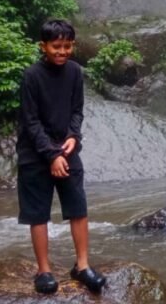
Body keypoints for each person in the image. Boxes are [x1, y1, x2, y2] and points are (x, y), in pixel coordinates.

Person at [16, 19, 107, 294]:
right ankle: (43, 270)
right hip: (35, 153)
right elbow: (30, 122)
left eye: (67, 46)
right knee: (37, 213)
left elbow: (77, 110)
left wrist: (73, 137)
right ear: (43, 46)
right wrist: (52, 155)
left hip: (67, 150)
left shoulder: (75, 72)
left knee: (78, 208)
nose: (62, 51)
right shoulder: (31, 76)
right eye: (56, 46)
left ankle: (82, 265)